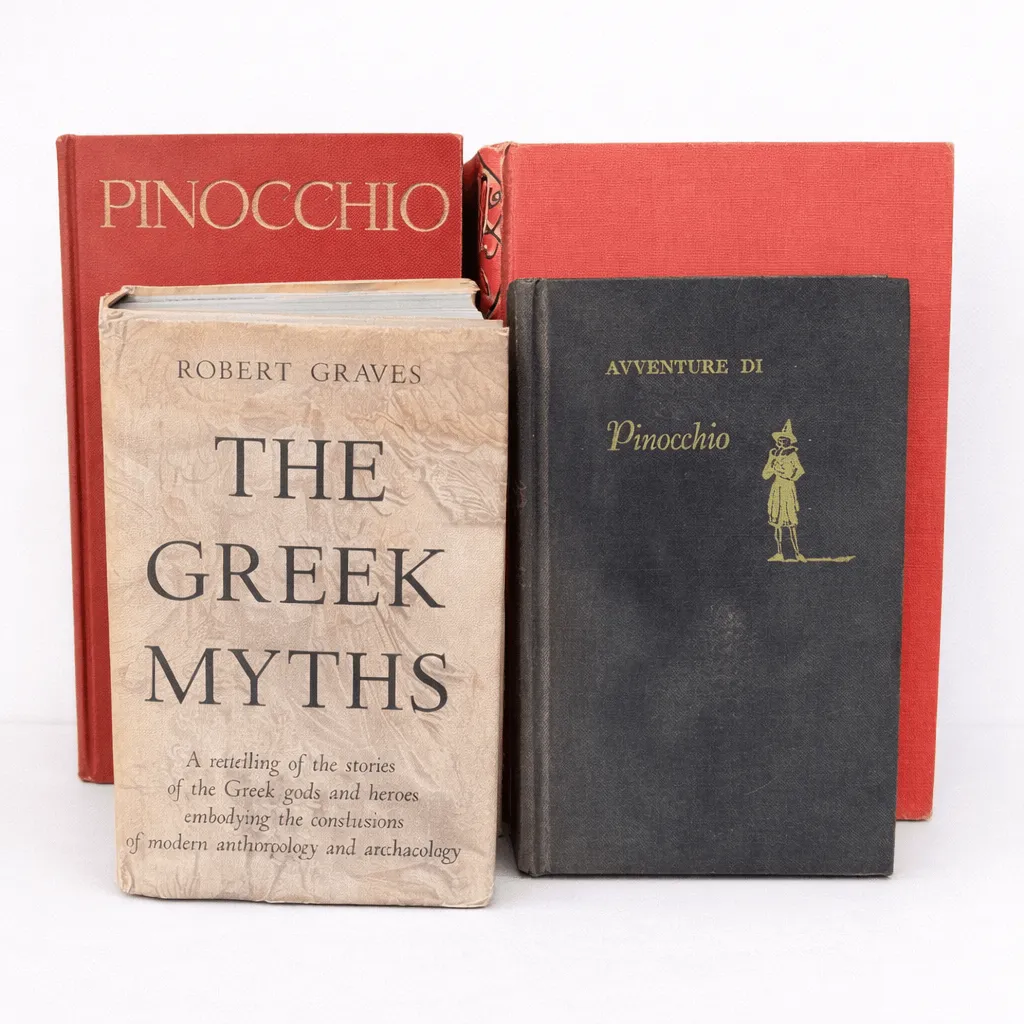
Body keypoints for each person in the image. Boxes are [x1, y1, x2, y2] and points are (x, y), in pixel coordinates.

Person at [762, 419, 806, 562]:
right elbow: (765, 474)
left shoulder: (792, 455)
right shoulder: (774, 454)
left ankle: (797, 552)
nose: (782, 442)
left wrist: (788, 476)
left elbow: (799, 471)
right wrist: (772, 465)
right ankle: (779, 552)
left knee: (791, 522)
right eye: (780, 439)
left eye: (785, 440)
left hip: (787, 488)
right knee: (777, 523)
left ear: (789, 441)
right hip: (777, 488)